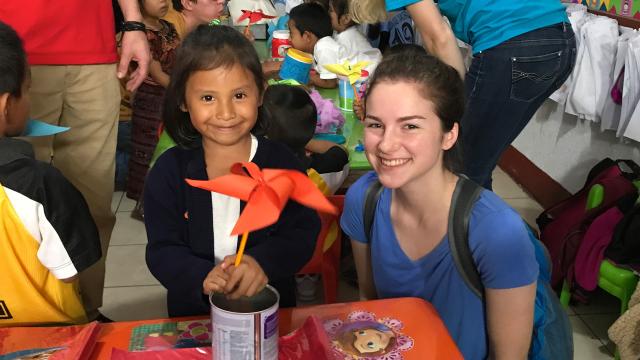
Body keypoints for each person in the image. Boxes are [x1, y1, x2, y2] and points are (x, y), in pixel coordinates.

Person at [340, 46, 539, 359]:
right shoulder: (363, 199)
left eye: (411, 126)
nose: (387, 144)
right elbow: (372, 304)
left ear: (449, 135)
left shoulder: (496, 232)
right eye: (375, 124)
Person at [144, 25, 320, 317]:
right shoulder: (169, 172)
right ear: (183, 102)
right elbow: (162, 250)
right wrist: (199, 274)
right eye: (208, 98)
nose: (225, 113)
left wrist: (263, 262)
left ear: (261, 94)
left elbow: (303, 232)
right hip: (193, 316)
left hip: (268, 312)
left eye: (239, 95)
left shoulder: (282, 164)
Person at [0, 0, 150, 322]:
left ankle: (86, 314)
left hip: (94, 52)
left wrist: (134, 22)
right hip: (15, 49)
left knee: (93, 205)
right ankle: (23, 318)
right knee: (13, 208)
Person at [348, 0, 576, 190]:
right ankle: (476, 231)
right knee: (479, 159)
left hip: (515, 44)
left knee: (459, 163)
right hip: (561, 41)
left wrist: (454, 101)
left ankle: (464, 237)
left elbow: (439, 38)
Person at [0, 22, 101, 326]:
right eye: (28, 90)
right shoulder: (42, 184)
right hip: (51, 335)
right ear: (6, 105)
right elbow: (70, 271)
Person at [125, 0, 181, 220]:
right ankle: (143, 205)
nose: (163, 1)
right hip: (151, 99)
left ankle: (164, 197)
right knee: (148, 149)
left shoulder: (168, 27)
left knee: (166, 148)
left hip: (173, 94)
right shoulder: (142, 34)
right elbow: (156, 74)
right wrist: (186, 89)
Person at [288, 3, 347, 89]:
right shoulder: (315, 49)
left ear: (307, 36)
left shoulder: (324, 48)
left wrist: (307, 78)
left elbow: (330, 83)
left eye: (291, 34)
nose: (289, 39)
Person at [328, 0, 381, 72]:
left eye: (331, 10)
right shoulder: (346, 33)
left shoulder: (346, 39)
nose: (328, 13)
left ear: (346, 19)